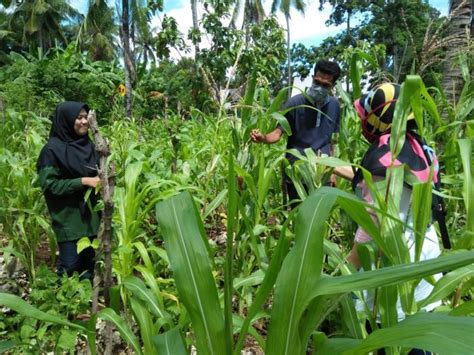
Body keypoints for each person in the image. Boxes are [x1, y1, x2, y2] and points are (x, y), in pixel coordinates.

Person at [338, 83, 441, 321]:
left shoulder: (385, 156)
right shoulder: (419, 147)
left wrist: (343, 276)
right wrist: (335, 168)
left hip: (391, 263)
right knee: (420, 331)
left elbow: (370, 227)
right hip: (425, 256)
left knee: (387, 335)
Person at [250, 60, 341, 206]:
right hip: (297, 171)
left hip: (322, 171)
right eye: (317, 82)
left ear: (333, 86)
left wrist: (333, 171)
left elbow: (332, 142)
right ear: (312, 78)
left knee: (319, 217)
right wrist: (263, 138)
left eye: (325, 85)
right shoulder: (295, 103)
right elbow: (277, 134)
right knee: (298, 214)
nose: (319, 88)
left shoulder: (335, 106)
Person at [37, 101, 101, 281]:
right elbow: (51, 186)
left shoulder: (89, 145)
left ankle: (85, 304)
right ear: (65, 120)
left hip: (92, 218)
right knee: (70, 267)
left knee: (89, 264)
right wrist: (84, 181)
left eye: (85, 117)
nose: (84, 122)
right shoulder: (51, 150)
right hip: (69, 220)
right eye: (78, 118)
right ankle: (64, 305)